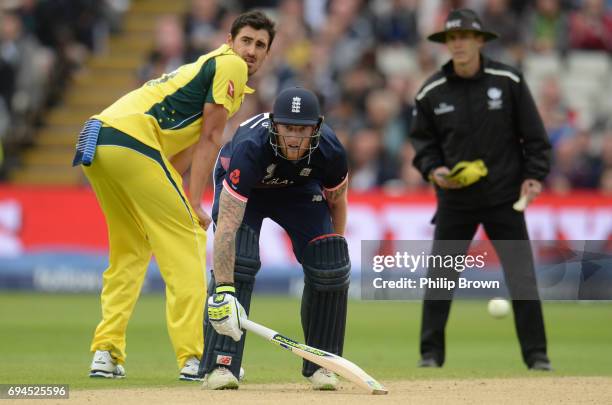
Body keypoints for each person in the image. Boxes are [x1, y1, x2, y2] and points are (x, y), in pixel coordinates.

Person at [73, 10, 275, 381]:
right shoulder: (229, 66)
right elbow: (211, 139)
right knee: (189, 235)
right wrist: (193, 203)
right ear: (230, 42)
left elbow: (177, 156)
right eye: (245, 40)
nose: (251, 50)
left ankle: (106, 351)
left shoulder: (209, 67)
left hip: (97, 139)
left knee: (131, 250)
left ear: (267, 54)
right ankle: (197, 355)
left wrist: (184, 195)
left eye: (260, 45)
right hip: (131, 140)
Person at [408, 9, 552, 371]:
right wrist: (433, 169)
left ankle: (537, 357)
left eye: (464, 37)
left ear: (480, 41)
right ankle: (430, 355)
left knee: (522, 278)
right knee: (440, 278)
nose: (457, 44)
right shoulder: (431, 91)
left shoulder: (509, 81)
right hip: (456, 201)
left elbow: (534, 137)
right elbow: (423, 144)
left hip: (505, 198)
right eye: (451, 38)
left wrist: (534, 175)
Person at [200, 87, 350, 390]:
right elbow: (227, 225)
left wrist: (332, 266)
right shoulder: (250, 147)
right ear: (274, 125)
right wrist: (225, 291)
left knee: (330, 260)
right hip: (248, 193)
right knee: (240, 261)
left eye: (302, 129)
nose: (294, 137)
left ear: (317, 126)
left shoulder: (330, 150)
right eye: (287, 128)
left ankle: (323, 365)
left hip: (298, 191)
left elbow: (337, 202)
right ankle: (221, 365)